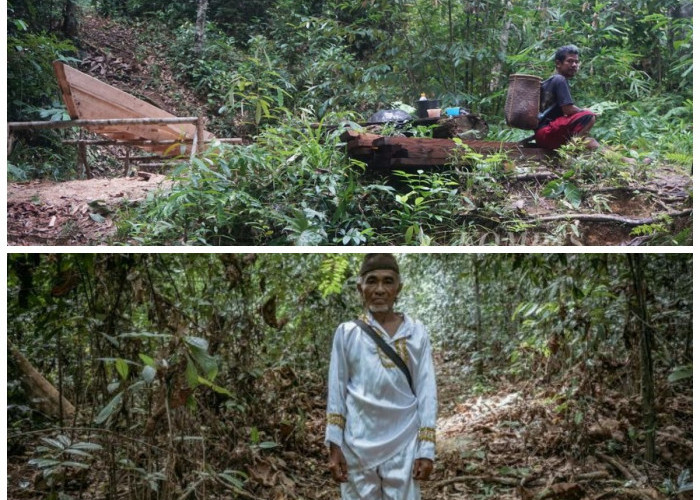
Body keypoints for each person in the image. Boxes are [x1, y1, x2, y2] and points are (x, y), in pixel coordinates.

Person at [325, 254, 438, 500]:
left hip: (404, 443)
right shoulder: (347, 333)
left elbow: (427, 391)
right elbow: (337, 391)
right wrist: (334, 446)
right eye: (371, 281)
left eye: (388, 282)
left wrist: (426, 448)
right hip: (356, 444)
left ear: (399, 288)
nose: (379, 290)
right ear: (360, 288)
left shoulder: (415, 332)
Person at [535, 44, 601, 151]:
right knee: (589, 116)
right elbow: (568, 109)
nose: (574, 65)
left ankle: (626, 161)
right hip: (547, 132)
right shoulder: (560, 79)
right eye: (570, 61)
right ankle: (570, 152)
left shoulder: (551, 80)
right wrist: (584, 111)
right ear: (558, 63)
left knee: (591, 142)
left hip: (543, 134)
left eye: (576, 62)